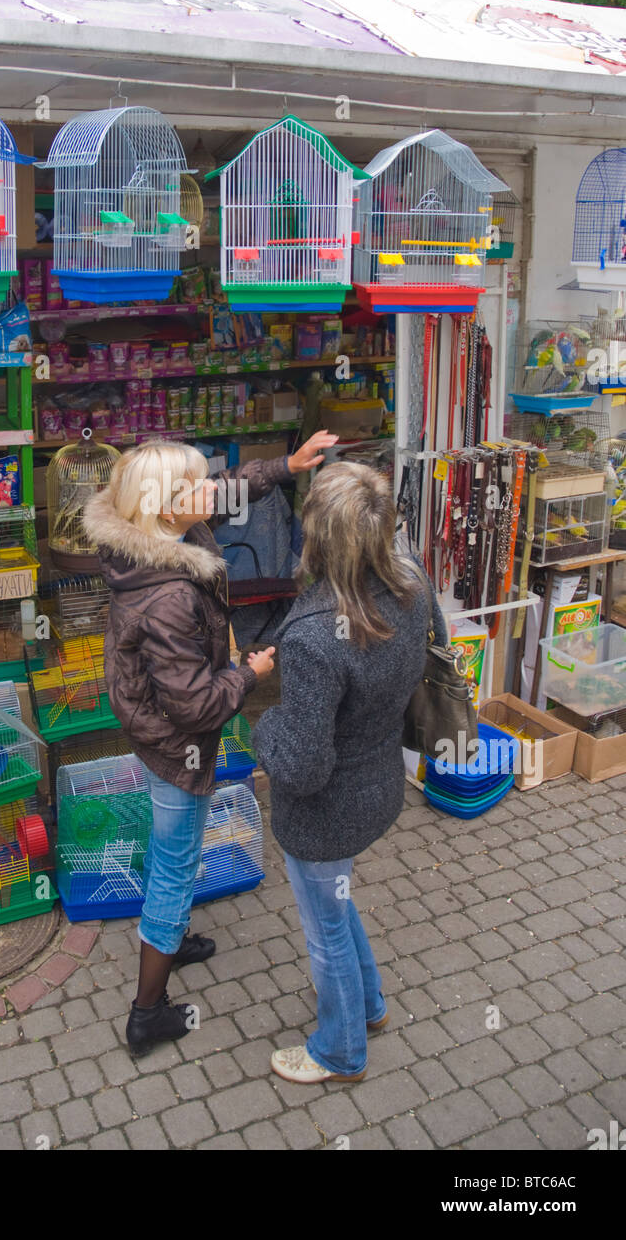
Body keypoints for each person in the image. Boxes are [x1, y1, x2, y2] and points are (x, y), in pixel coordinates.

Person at [83, 431, 336, 1058]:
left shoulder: (161, 536)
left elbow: (226, 490)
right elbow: (195, 704)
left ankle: (174, 937)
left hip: (152, 730)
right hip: (176, 745)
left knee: (176, 851)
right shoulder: (168, 595)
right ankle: (148, 1013)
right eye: (194, 485)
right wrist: (250, 673)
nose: (210, 490)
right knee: (174, 865)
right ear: (168, 507)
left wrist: (287, 465)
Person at [253, 461, 448, 1084]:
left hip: (325, 813)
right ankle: (369, 1007)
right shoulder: (412, 579)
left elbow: (305, 766)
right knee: (336, 904)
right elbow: (429, 651)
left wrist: (259, 732)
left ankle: (338, 1053)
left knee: (324, 929)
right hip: (378, 784)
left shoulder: (315, 636)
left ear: (318, 535)